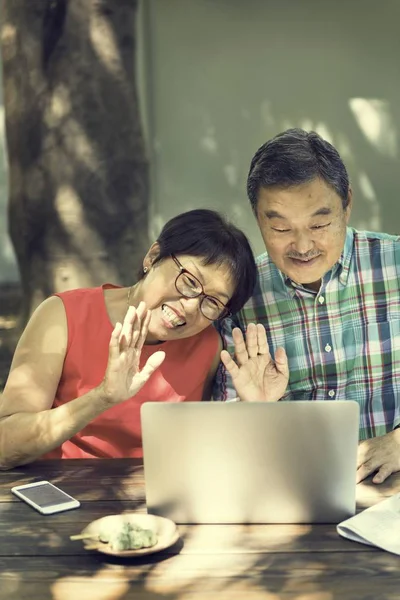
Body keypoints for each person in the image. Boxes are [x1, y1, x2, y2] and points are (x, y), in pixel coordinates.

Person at [0, 209, 287, 469]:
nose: (190, 306)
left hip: (154, 508)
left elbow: (198, 448)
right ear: (152, 257)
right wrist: (102, 397)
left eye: (212, 302)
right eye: (189, 281)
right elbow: (5, 445)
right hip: (56, 500)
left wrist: (251, 410)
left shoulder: (207, 346)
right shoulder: (62, 316)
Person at [214, 128, 400, 485]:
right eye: (281, 228)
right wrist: (253, 409)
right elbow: (226, 436)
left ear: (347, 204)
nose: (302, 245)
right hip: (287, 487)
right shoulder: (239, 297)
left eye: (318, 224)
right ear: (258, 218)